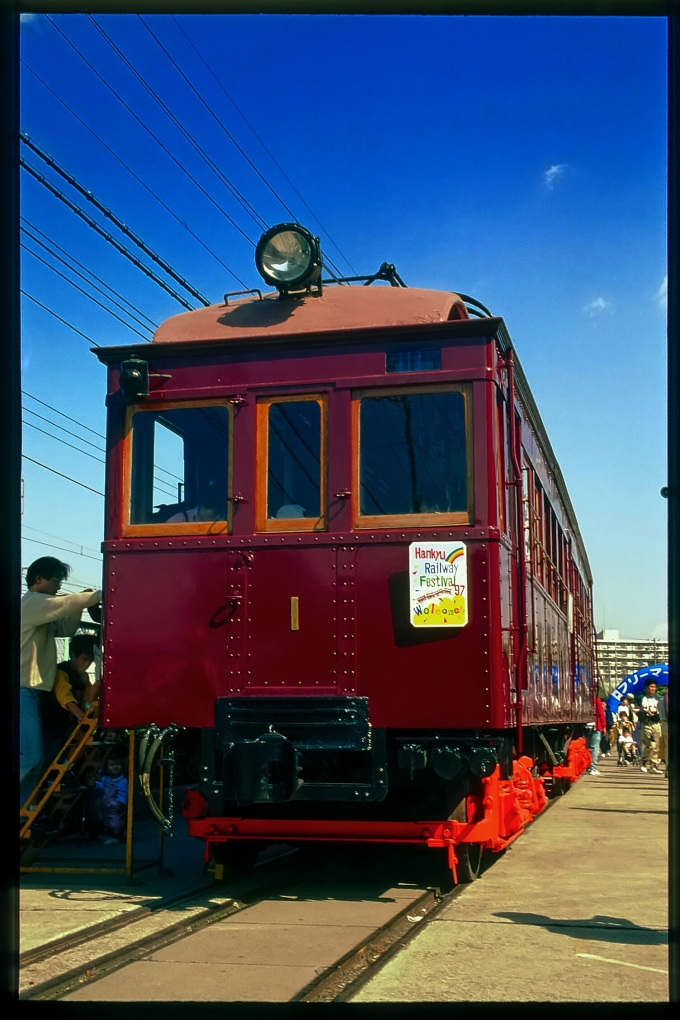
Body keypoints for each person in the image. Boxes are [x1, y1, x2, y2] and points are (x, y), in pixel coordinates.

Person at [20, 557, 102, 810]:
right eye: (56, 580)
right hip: (21, 690)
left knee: (37, 757)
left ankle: (22, 810)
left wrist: (79, 604)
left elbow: (65, 628)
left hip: (32, 691)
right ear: (39, 579)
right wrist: (99, 594)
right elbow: (65, 603)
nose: (58, 585)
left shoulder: (42, 611)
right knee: (32, 755)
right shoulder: (32, 603)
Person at [39, 634, 98, 769]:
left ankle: (66, 770)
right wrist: (79, 714)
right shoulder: (61, 671)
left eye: (91, 660)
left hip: (66, 726)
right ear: (73, 653)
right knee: (48, 757)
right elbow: (64, 696)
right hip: (50, 725)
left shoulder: (84, 677)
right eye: (85, 658)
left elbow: (88, 696)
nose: (87, 663)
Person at [88, 755, 128, 844]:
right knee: (107, 820)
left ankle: (116, 836)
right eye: (112, 765)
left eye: (118, 765)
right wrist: (95, 785)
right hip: (106, 804)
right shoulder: (105, 779)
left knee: (116, 820)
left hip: (116, 804)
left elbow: (123, 792)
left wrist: (120, 803)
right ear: (107, 769)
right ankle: (109, 834)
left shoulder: (122, 781)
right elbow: (101, 787)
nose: (115, 767)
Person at [637, 680, 663, 774]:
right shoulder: (640, 696)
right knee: (649, 744)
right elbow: (635, 708)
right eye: (651, 687)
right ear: (646, 687)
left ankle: (654, 765)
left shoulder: (658, 697)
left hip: (656, 722)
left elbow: (661, 708)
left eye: (654, 687)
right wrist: (645, 712)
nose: (653, 689)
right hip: (646, 722)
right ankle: (643, 761)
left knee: (657, 744)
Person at [587, 694, 607, 775]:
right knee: (595, 747)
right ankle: (593, 767)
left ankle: (588, 766)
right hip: (596, 725)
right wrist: (604, 726)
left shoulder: (582, 699)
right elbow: (601, 714)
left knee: (587, 747)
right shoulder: (596, 700)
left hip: (585, 725)